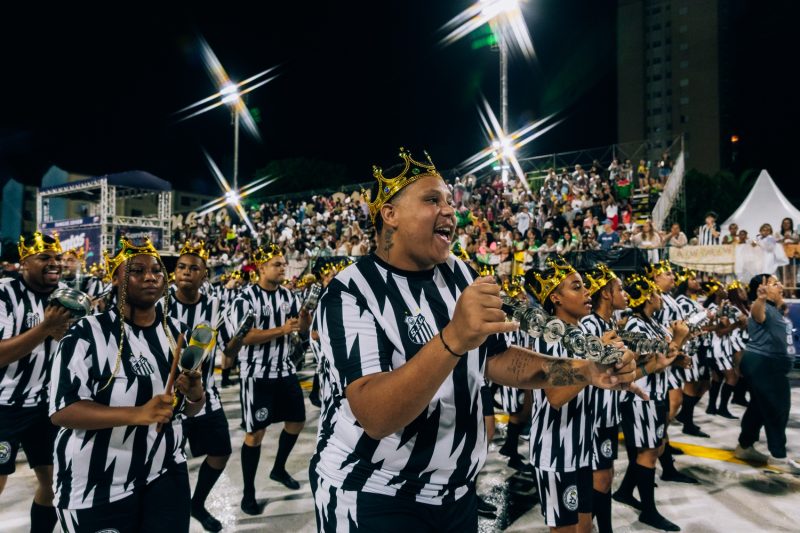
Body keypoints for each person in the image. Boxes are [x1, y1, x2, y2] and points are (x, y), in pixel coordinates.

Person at [309, 148, 637, 533]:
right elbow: (376, 416)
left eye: (450, 201)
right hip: (372, 494)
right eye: (432, 200)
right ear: (390, 214)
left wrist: (583, 370)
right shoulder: (349, 292)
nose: (450, 211)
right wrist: (453, 339)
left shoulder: (458, 274)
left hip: (455, 495)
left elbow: (496, 360)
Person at [49, 237, 206, 532]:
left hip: (165, 474)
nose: (150, 276)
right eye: (136, 270)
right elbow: (63, 410)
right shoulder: (86, 332)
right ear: (116, 278)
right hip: (97, 484)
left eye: (157, 270)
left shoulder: (177, 334)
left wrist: (196, 394)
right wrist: (138, 414)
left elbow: (187, 410)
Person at [230, 243, 311, 515]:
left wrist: (305, 321)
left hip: (284, 370)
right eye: (277, 264)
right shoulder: (245, 298)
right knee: (255, 433)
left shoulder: (289, 296)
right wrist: (282, 329)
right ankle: (249, 492)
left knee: (297, 420)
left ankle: (278, 469)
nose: (282, 268)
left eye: (283, 264)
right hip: (256, 374)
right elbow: (245, 337)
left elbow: (300, 329)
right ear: (261, 268)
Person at [0, 232, 72, 533]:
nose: (54, 263)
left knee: (55, 483)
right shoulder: (4, 294)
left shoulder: (66, 295)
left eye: (57, 258)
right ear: (24, 262)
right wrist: (45, 329)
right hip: (4, 406)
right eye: (44, 257)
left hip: (46, 406)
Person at [613, 275, 688, 532]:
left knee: (652, 448)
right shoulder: (635, 325)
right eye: (655, 294)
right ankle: (649, 511)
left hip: (655, 395)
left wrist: (677, 354)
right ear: (646, 298)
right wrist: (678, 340)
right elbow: (651, 363)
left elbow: (666, 355)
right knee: (647, 452)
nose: (659, 298)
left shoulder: (651, 322)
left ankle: (624, 491)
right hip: (640, 397)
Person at [167, 241, 232, 532]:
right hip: (168, 397)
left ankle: (198, 502)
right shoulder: (160, 302)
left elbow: (230, 345)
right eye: (181, 266)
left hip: (206, 395)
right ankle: (176, 510)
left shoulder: (215, 305)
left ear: (204, 276)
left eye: (194, 268)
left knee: (221, 451)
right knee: (170, 463)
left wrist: (239, 337)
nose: (186, 272)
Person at [733, 274, 800, 473]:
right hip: (764, 365)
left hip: (768, 365)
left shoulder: (776, 310)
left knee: (759, 407)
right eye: (773, 283)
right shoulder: (761, 308)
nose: (779, 285)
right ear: (760, 289)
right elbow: (756, 313)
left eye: (779, 281)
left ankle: (744, 446)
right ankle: (778, 456)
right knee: (777, 408)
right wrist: (760, 298)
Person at [580, 263, 628, 533]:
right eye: (619, 288)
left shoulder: (609, 323)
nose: (624, 293)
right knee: (600, 479)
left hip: (608, 414)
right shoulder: (589, 324)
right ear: (607, 294)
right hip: (593, 417)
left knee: (606, 476)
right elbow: (582, 367)